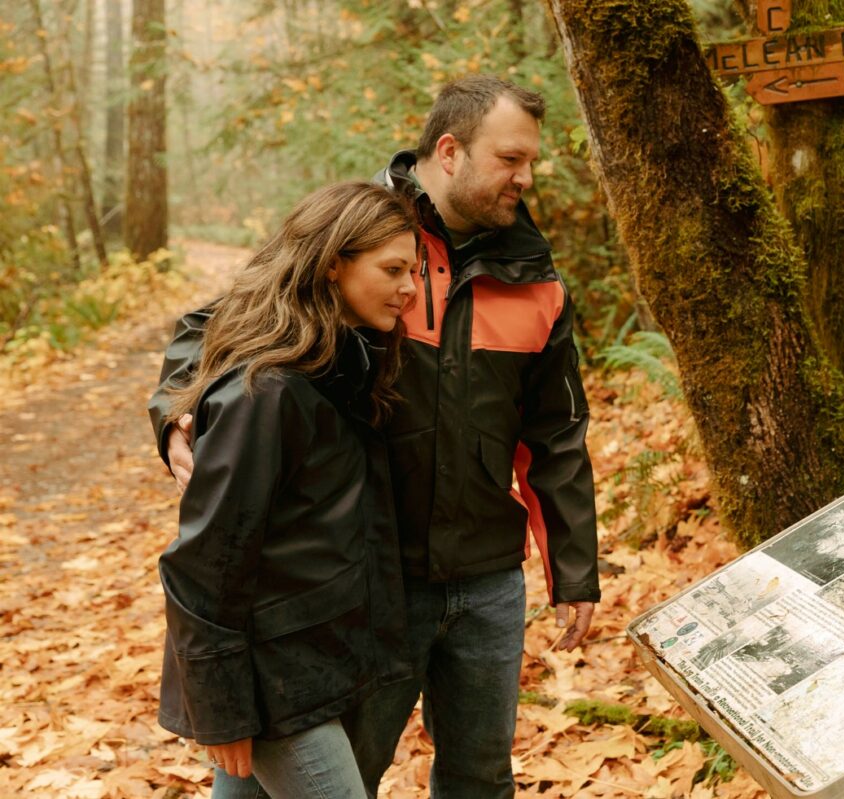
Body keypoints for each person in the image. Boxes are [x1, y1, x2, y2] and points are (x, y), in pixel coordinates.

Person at [148, 75, 601, 798]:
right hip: (372, 577)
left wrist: (573, 566)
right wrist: (178, 413)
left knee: (481, 775)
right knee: (342, 771)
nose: (528, 176)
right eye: (512, 158)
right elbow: (222, 328)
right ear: (450, 150)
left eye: (531, 161)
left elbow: (556, 429)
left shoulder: (534, 272)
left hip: (485, 574)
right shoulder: (359, 236)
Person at [154, 181, 422, 798]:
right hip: (271, 681)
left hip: (315, 659)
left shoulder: (343, 363)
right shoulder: (268, 392)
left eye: (413, 270)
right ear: (333, 264)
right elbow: (203, 563)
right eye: (393, 269)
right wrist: (222, 709)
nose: (410, 288)